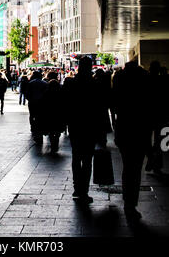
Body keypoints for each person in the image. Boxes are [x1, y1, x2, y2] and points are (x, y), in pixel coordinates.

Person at [113, 61, 154, 221]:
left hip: (124, 129)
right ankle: (131, 202)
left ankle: (128, 201)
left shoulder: (119, 79)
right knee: (135, 169)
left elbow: (115, 104)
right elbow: (150, 106)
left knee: (127, 167)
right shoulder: (145, 79)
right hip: (141, 129)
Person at [65, 56, 105, 204]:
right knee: (88, 159)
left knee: (76, 157)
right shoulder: (95, 84)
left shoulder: (71, 82)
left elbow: (66, 103)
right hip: (90, 125)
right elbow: (100, 107)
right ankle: (84, 190)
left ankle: (77, 188)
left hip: (75, 125)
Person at [38, 79, 66, 152]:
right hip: (58, 114)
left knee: (50, 130)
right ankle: (55, 143)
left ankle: (52, 143)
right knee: (57, 130)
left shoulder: (46, 93)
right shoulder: (60, 93)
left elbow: (42, 104)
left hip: (49, 114)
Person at [26, 71, 48, 144]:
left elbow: (27, 94)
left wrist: (30, 99)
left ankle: (33, 128)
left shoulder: (30, 83)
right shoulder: (44, 83)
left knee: (32, 115)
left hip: (32, 102)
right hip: (41, 103)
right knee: (40, 117)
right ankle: (39, 131)